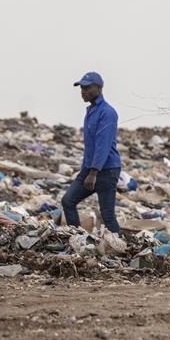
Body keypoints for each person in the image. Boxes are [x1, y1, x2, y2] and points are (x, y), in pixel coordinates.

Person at [60, 72, 123, 234]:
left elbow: (103, 145)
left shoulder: (107, 112)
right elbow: (90, 146)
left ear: (99, 88)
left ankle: (122, 249)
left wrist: (94, 173)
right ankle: (78, 238)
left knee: (107, 214)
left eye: (87, 87)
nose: (83, 91)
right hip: (89, 169)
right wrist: (86, 170)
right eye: (81, 88)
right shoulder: (91, 111)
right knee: (68, 200)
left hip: (106, 170)